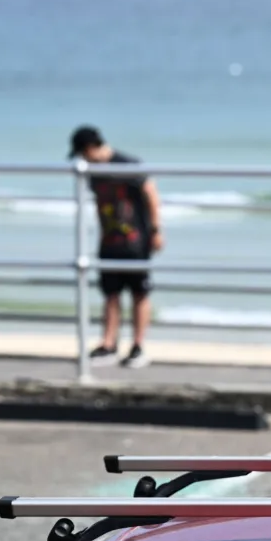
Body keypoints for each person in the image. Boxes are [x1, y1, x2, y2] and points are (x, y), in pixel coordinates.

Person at [69, 125, 163, 368]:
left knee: (139, 292)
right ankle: (108, 344)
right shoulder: (93, 173)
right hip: (108, 241)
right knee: (110, 294)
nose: (82, 159)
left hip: (136, 240)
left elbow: (151, 194)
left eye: (82, 154)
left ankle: (138, 346)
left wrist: (155, 231)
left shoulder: (127, 164)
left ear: (90, 148)